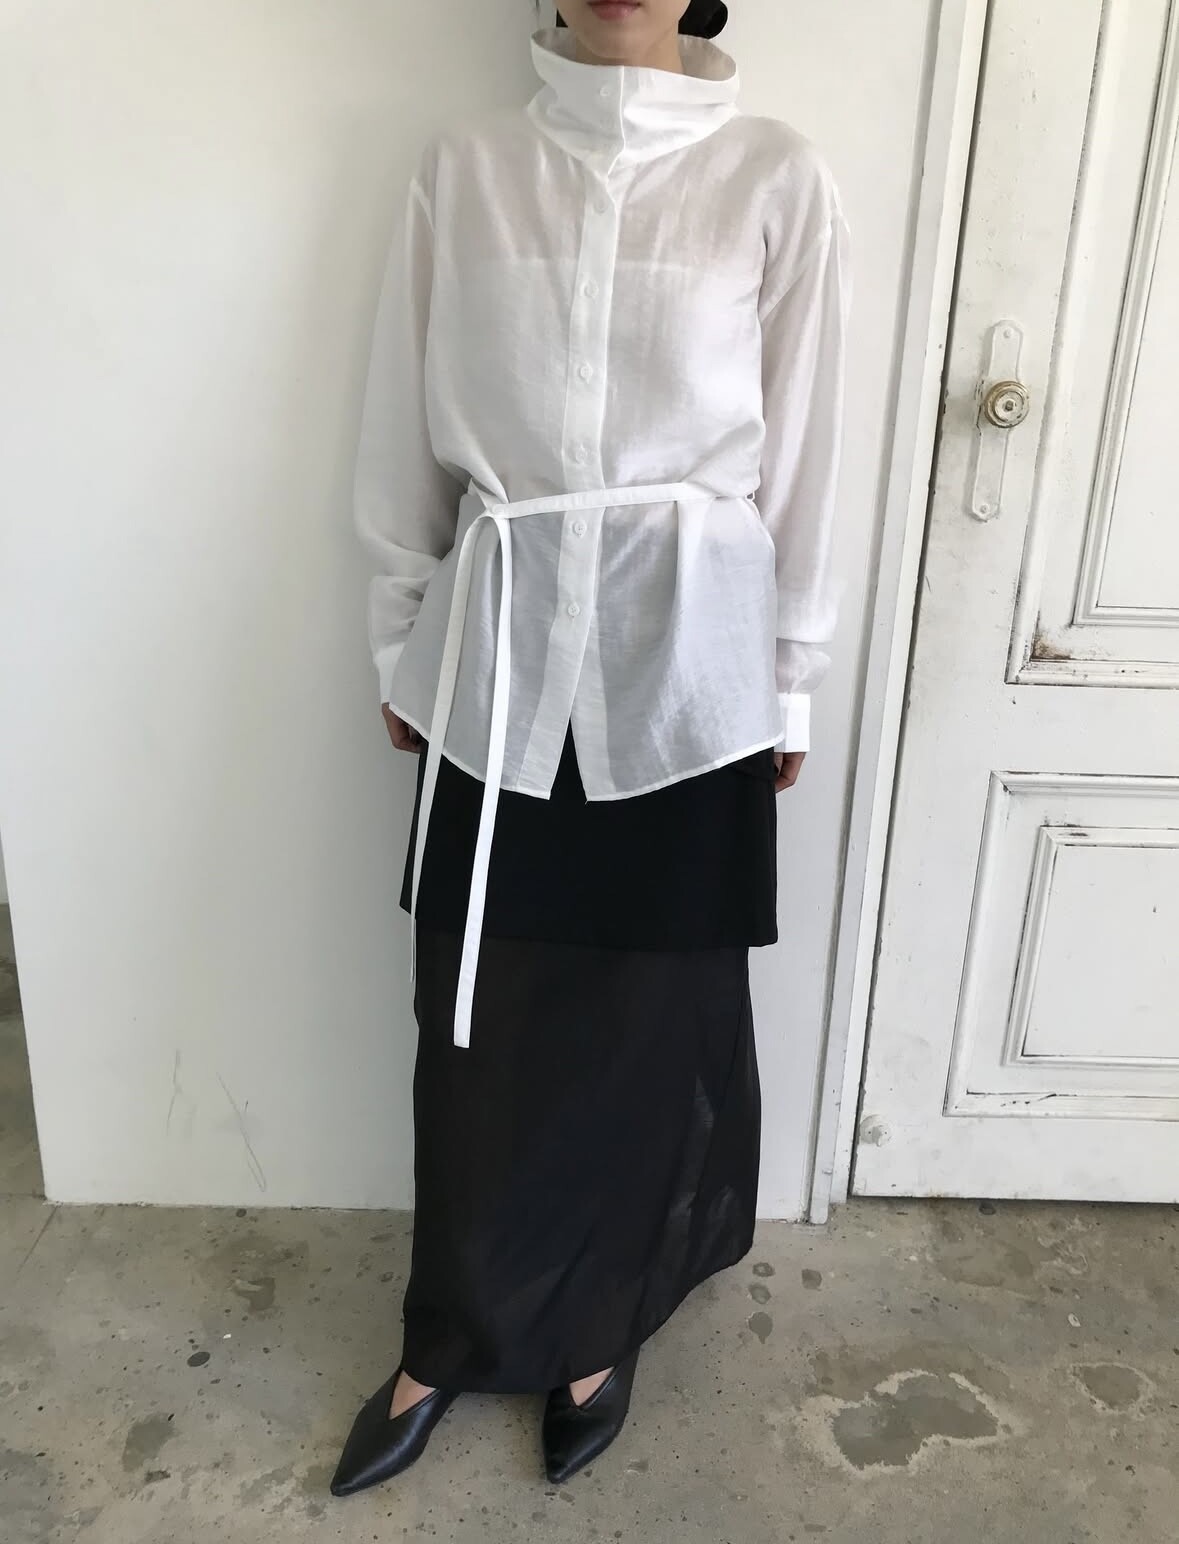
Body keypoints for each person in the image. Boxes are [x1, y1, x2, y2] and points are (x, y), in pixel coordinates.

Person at [331, 0, 850, 1496]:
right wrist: (400, 635)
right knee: (476, 1017)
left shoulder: (773, 175)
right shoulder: (465, 167)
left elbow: (808, 456)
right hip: (495, 647)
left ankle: (597, 1331)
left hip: (688, 666)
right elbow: (399, 421)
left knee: (642, 1022)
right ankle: (449, 1334)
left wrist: (790, 680)